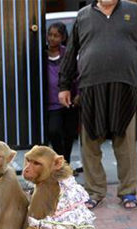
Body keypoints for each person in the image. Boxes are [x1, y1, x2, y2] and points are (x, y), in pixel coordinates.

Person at [59, 0, 137, 210]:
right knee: (90, 144)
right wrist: (64, 85)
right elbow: (71, 51)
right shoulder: (83, 16)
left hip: (124, 87)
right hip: (90, 88)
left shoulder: (134, 12)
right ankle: (95, 191)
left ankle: (128, 192)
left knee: (125, 144)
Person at [45, 23, 78, 164]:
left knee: (69, 135)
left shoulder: (68, 54)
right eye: (50, 35)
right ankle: (60, 159)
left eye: (56, 35)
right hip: (51, 105)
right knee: (53, 132)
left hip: (69, 101)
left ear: (63, 37)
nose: (52, 38)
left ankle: (66, 164)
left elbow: (77, 75)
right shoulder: (41, 54)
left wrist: (78, 95)